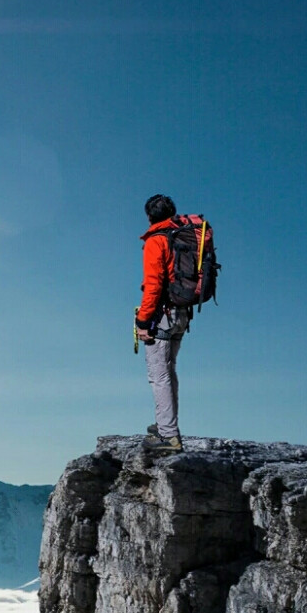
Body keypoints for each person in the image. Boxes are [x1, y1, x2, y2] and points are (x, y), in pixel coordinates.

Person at [135, 193, 189, 454]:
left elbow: (154, 285)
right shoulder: (180, 238)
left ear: (149, 216)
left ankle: (168, 436)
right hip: (182, 312)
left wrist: (142, 320)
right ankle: (166, 425)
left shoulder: (157, 241)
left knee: (159, 375)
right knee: (169, 371)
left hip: (162, 315)